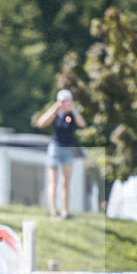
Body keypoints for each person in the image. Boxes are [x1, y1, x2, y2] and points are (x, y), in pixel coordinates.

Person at [35, 89, 86, 219]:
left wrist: (73, 109)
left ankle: (65, 212)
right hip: (55, 149)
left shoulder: (72, 115)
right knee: (53, 182)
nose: (65, 104)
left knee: (65, 183)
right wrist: (55, 107)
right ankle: (53, 212)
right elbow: (41, 123)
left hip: (68, 149)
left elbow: (82, 124)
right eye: (63, 101)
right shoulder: (55, 114)